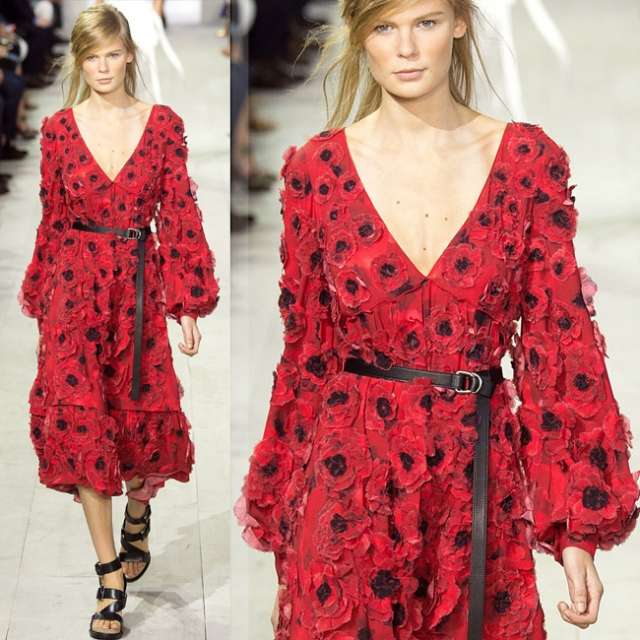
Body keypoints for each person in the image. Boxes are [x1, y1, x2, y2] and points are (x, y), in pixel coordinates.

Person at [234, 1, 640, 638]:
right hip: (349, 489)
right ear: (359, 35)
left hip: (476, 490)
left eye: (424, 22)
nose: (405, 48)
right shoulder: (317, 172)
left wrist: (574, 532)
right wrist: (289, 528)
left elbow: (560, 347)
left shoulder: (526, 162)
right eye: (384, 27)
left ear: (458, 21)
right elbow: (307, 356)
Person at [18, 5, 220, 639]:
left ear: (129, 54)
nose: (103, 68)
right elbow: (53, 217)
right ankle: (108, 574)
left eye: (112, 54)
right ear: (79, 62)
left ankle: (138, 513)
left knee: (140, 425)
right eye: (91, 57)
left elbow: (179, 212)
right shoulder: (58, 130)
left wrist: (186, 302)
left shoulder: (161, 126)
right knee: (82, 425)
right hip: (74, 290)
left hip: (135, 289)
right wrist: (42, 298)